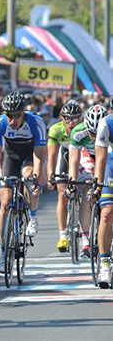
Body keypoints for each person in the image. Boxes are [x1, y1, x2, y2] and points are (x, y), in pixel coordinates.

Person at [0, 92, 46, 273]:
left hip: (30, 156)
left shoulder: (36, 123)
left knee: (28, 175)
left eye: (17, 115)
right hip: (11, 157)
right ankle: (4, 250)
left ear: (24, 113)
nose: (13, 119)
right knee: (5, 203)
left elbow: (39, 156)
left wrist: (36, 178)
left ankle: (33, 214)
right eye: (9, 115)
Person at [66, 104, 107, 259]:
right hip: (88, 156)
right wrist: (72, 182)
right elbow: (74, 161)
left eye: (98, 133)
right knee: (85, 189)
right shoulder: (78, 132)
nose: (94, 137)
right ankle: (86, 241)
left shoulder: (110, 128)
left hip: (106, 155)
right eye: (91, 133)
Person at [47, 102, 83, 252]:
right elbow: (52, 156)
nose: (70, 123)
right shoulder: (56, 130)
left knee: (85, 192)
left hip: (82, 158)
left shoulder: (85, 130)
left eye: (74, 119)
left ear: (80, 119)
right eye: (67, 119)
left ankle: (84, 228)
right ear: (62, 118)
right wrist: (51, 175)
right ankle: (62, 235)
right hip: (64, 158)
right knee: (62, 194)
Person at [92, 101, 113, 288]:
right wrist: (98, 183)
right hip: (111, 165)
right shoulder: (106, 123)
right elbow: (101, 157)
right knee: (106, 212)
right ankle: (105, 265)